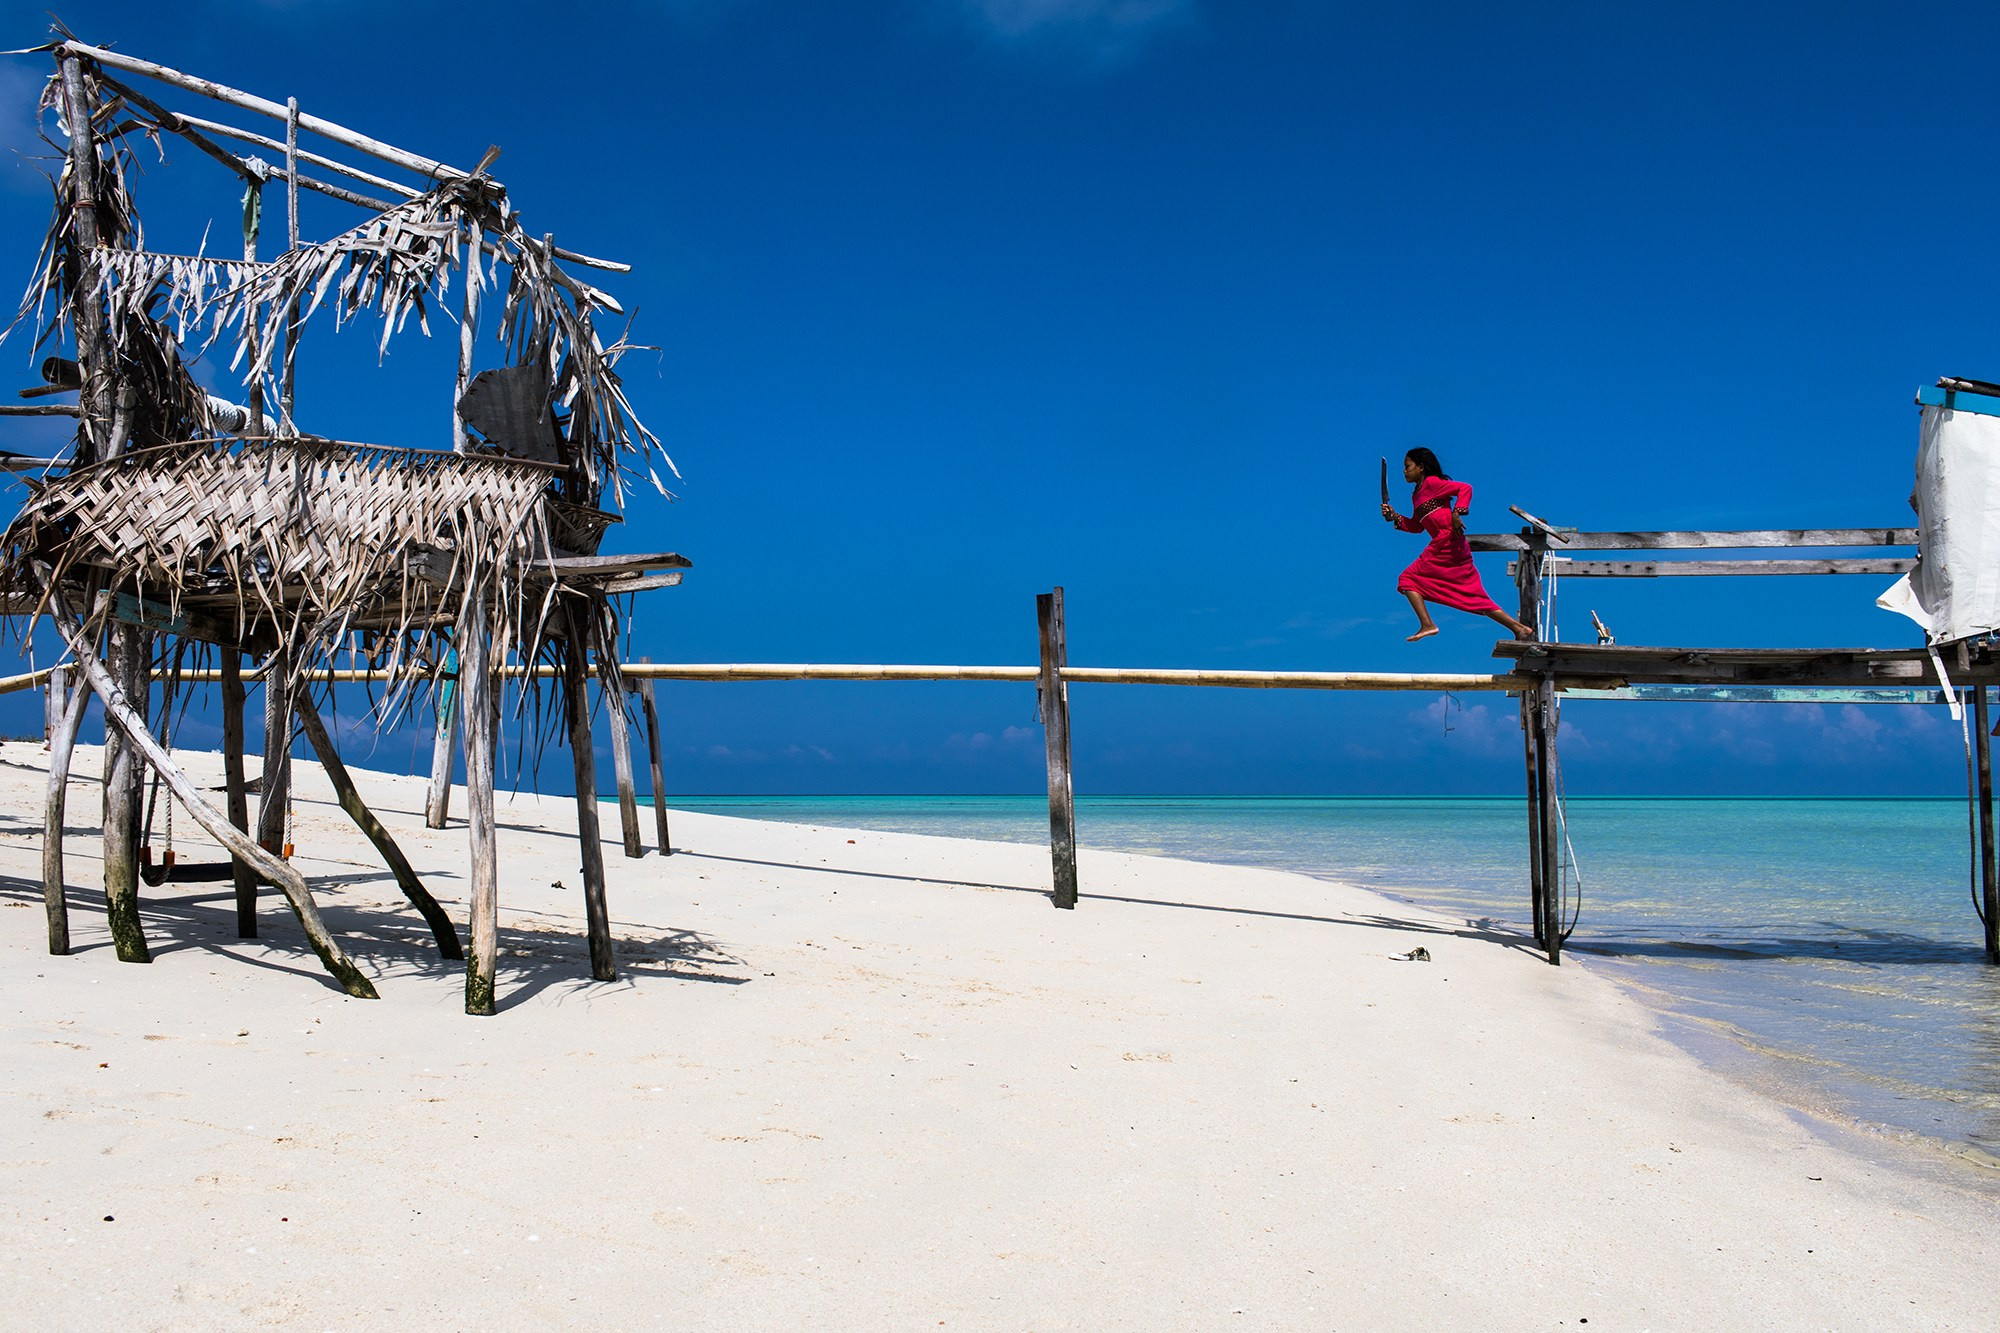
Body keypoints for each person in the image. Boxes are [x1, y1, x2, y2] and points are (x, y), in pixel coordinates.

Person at [1380, 448, 1533, 642]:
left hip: (1447, 542)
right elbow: (1417, 526)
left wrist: (1456, 513)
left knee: (1407, 579)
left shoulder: (1432, 483)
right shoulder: (1416, 495)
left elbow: (1465, 488)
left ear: (1421, 467)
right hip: (1451, 546)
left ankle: (1427, 624)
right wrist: (1394, 517)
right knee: (1473, 595)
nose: (1404, 471)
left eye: (1407, 466)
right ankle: (1519, 628)